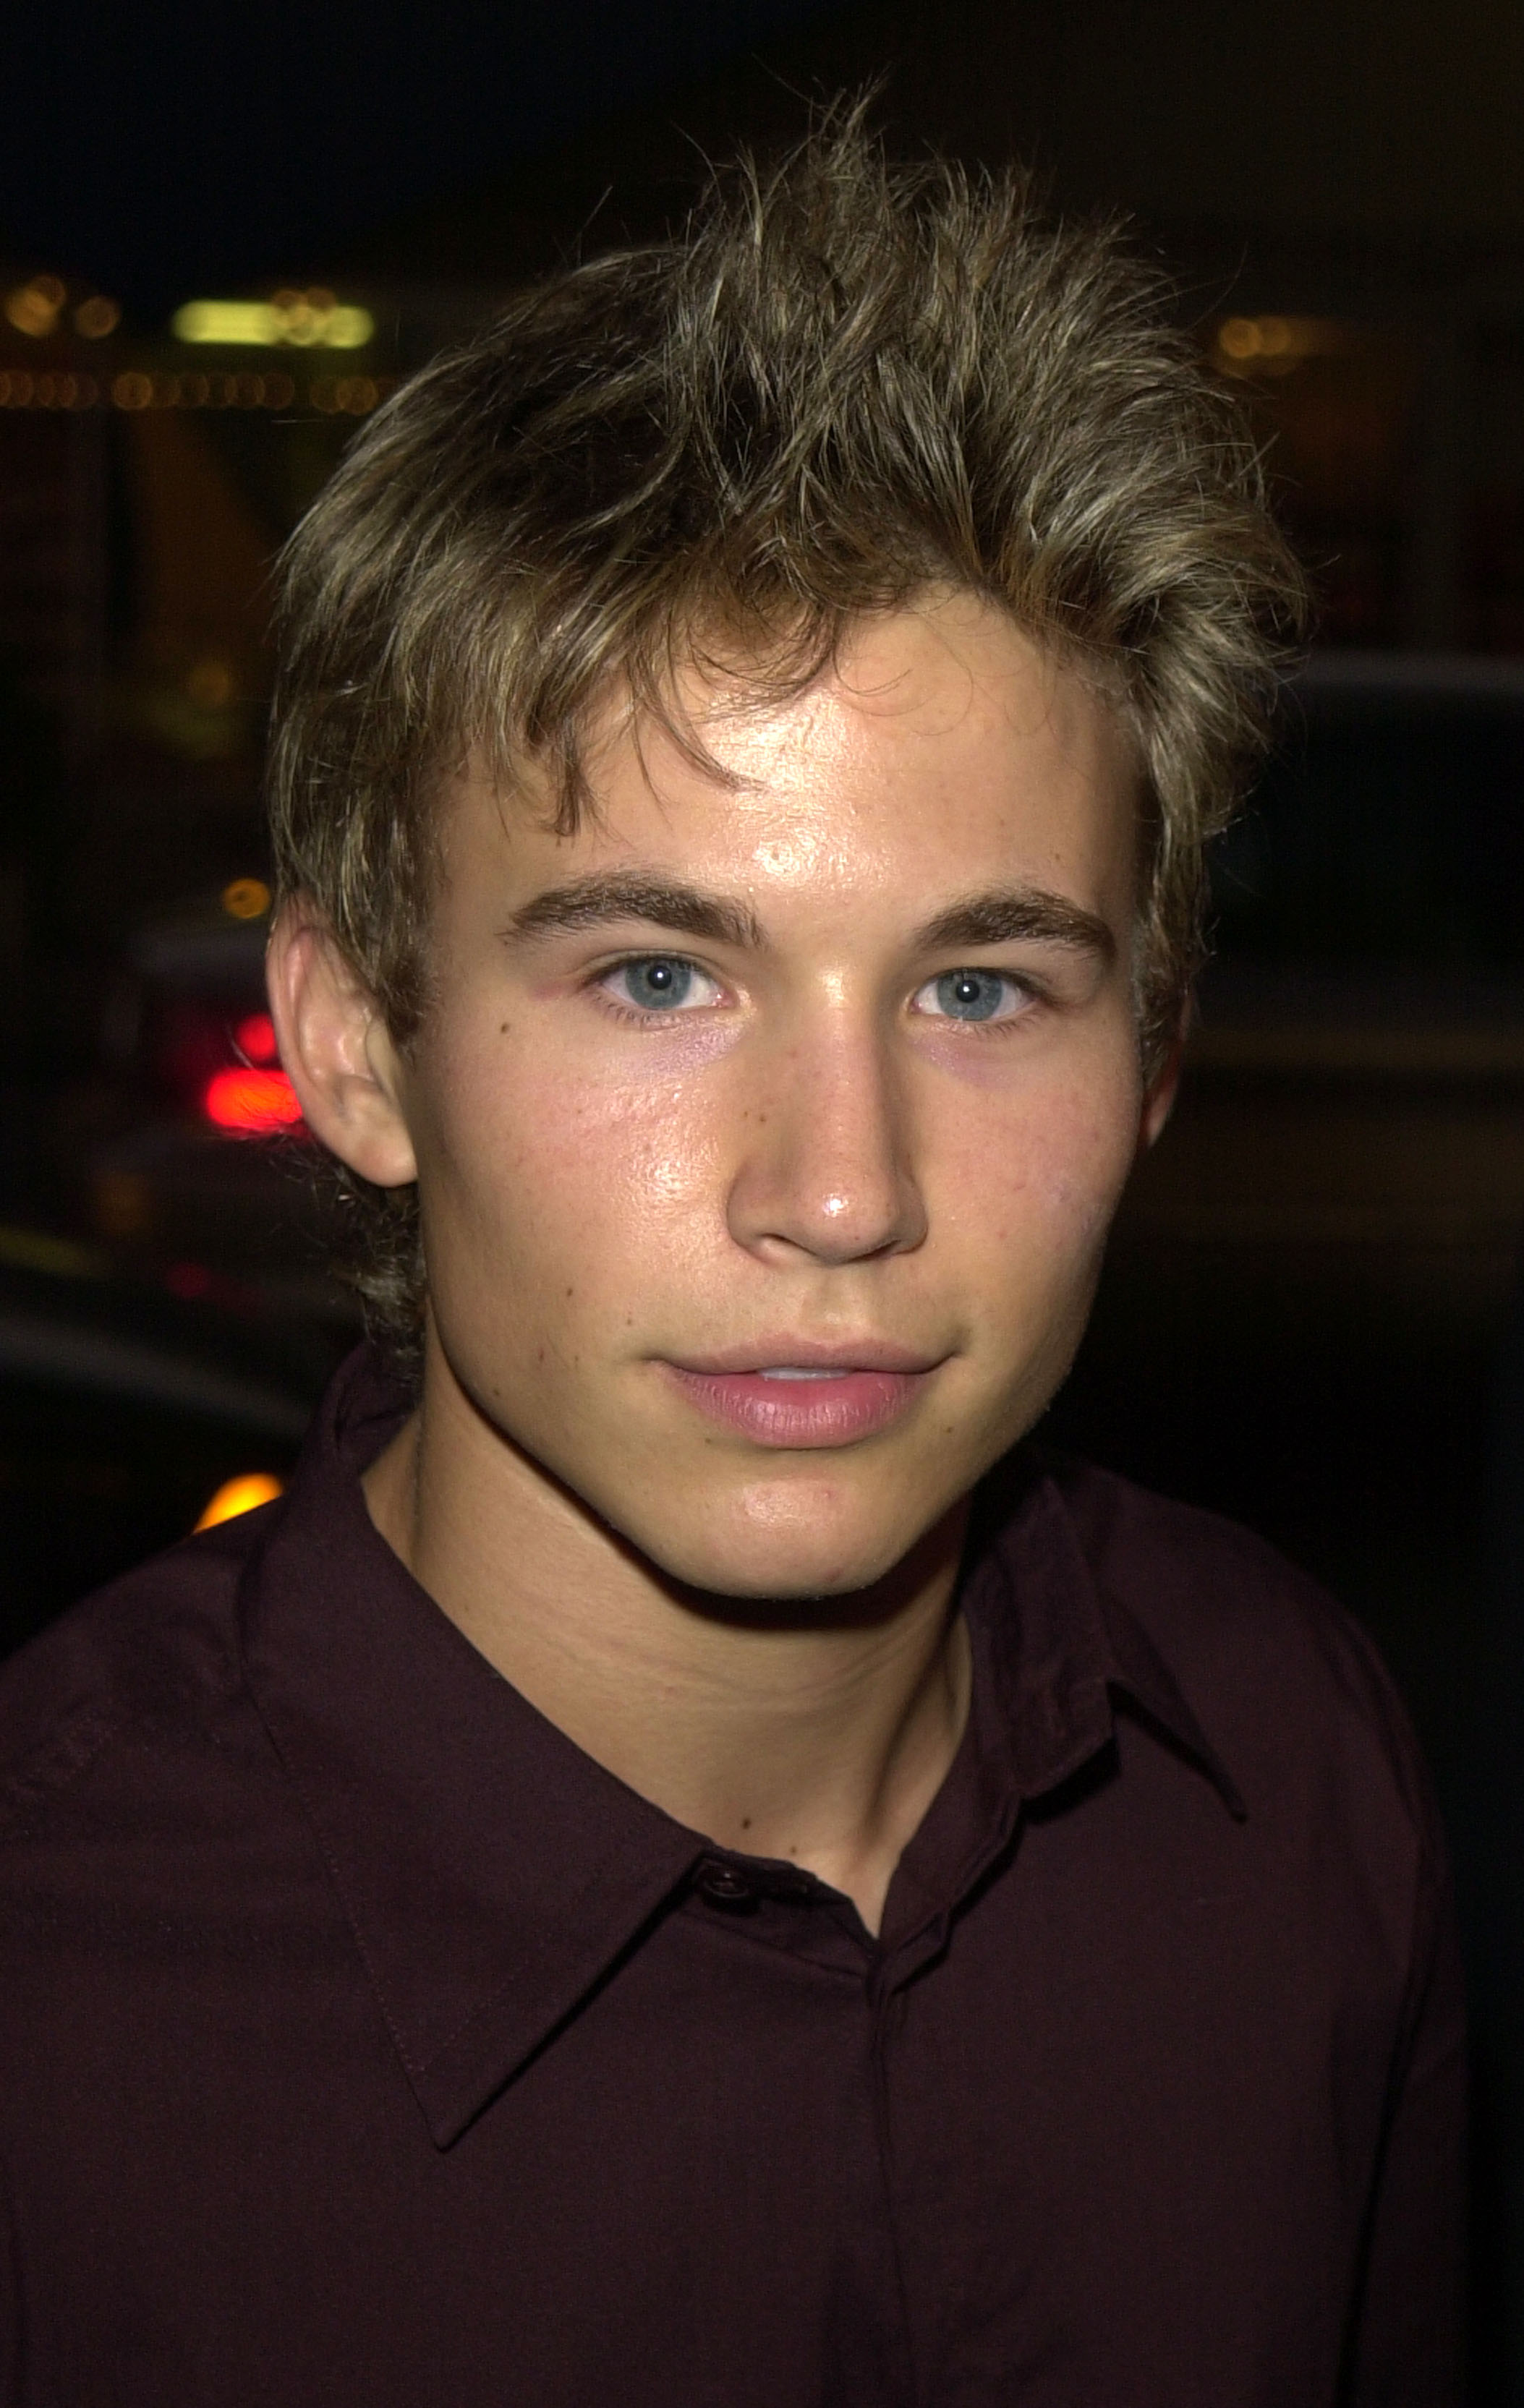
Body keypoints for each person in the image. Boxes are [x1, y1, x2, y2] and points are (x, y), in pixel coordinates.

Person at [0, 111, 1463, 2405]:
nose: (839, 1187)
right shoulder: (56, 1993)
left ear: (1152, 1066)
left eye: (981, 988)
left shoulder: (1296, 1774)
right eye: (657, 976)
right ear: (359, 1049)